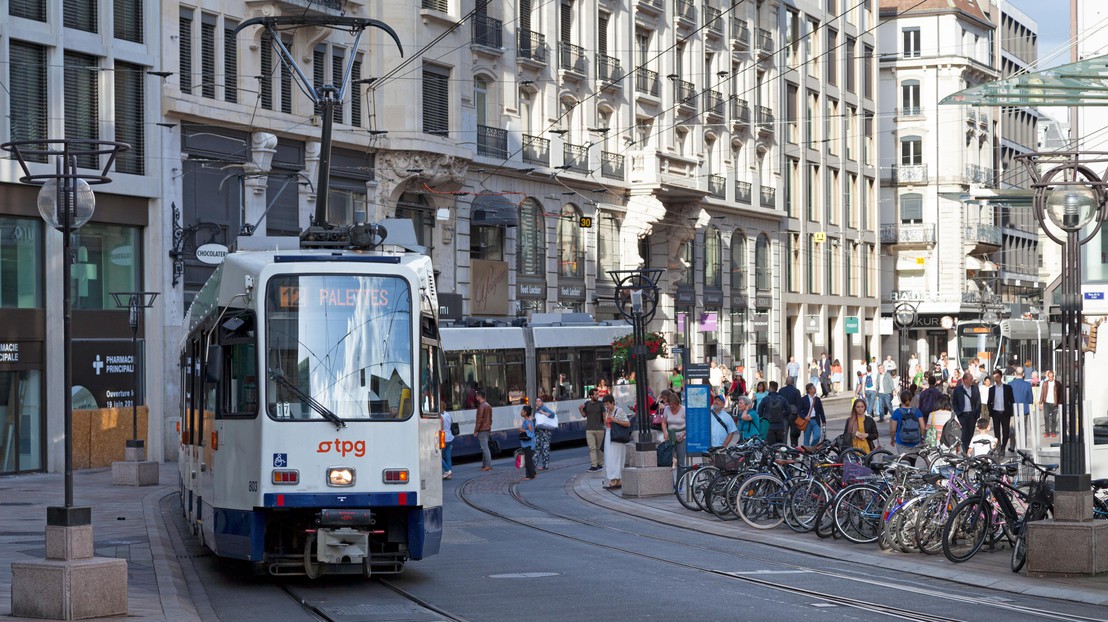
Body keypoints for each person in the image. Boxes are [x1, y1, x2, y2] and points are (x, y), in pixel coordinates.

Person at [602, 394, 631, 489]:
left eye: (608, 404)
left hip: (616, 437)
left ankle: (614, 480)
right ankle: (617, 480)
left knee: (615, 458)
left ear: (612, 402)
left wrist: (616, 420)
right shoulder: (606, 412)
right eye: (605, 404)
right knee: (609, 458)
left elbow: (628, 423)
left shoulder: (619, 411)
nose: (607, 406)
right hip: (609, 436)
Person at [890, 389, 926, 456]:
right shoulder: (917, 411)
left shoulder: (897, 412)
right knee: (912, 465)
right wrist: (921, 437)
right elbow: (923, 427)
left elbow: (893, 430)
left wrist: (892, 439)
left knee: (904, 463)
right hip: (915, 442)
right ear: (911, 399)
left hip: (901, 442)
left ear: (901, 400)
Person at [987, 369, 1015, 454]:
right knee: (996, 432)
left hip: (1005, 413)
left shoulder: (1007, 388)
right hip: (996, 413)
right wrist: (991, 412)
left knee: (1006, 432)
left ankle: (1003, 447)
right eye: (994, 377)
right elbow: (989, 401)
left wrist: (1010, 412)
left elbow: (1011, 400)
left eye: (998, 377)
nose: (996, 379)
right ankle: (998, 448)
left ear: (1001, 377)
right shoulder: (991, 389)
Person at [953, 372, 981, 454]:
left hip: (972, 415)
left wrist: (977, 413)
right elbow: (955, 402)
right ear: (965, 380)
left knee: (970, 434)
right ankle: (966, 452)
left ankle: (968, 449)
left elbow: (978, 401)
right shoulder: (958, 389)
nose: (972, 381)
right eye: (970, 379)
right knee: (964, 434)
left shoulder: (975, 388)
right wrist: (958, 413)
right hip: (962, 415)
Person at [757, 381, 790, 445]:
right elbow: (788, 410)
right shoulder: (782, 399)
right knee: (780, 445)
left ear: (770, 388)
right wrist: (782, 415)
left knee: (770, 446)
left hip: (769, 425)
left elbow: (759, 410)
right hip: (780, 425)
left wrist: (764, 418)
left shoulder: (765, 399)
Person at [580, 388, 605, 472]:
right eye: (595, 394)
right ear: (591, 396)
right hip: (589, 430)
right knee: (592, 448)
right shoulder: (587, 404)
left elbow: (604, 415)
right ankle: (593, 465)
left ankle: (600, 464)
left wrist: (606, 425)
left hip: (599, 429)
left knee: (599, 448)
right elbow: (584, 415)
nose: (597, 396)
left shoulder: (600, 404)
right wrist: (580, 409)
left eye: (597, 394)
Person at [660, 392, 688, 467]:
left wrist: (684, 434)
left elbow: (689, 424)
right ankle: (670, 478)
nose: (671, 406)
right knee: (668, 459)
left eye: (673, 404)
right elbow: (664, 422)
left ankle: (680, 478)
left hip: (681, 437)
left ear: (677, 403)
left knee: (680, 462)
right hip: (670, 437)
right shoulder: (667, 409)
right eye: (670, 404)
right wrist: (665, 433)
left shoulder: (684, 409)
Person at [533, 397, 557, 470]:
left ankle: (544, 465)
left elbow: (552, 415)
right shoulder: (537, 410)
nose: (538, 402)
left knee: (544, 448)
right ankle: (534, 464)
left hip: (545, 432)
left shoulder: (543, 408)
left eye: (539, 401)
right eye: (536, 401)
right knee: (538, 448)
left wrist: (543, 412)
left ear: (542, 402)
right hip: (539, 432)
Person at [778, 376, 803, 445]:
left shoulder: (781, 390)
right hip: (793, 414)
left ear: (786, 382)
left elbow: (778, 402)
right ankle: (794, 449)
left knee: (784, 433)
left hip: (783, 414)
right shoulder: (796, 391)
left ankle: (784, 449)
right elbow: (799, 404)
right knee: (794, 433)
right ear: (793, 382)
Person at [475, 390, 494, 471]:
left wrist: (476, 430)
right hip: (487, 429)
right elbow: (490, 419)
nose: (476, 397)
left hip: (482, 429)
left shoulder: (482, 406)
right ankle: (484, 465)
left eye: (476, 396)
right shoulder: (488, 405)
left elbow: (479, 420)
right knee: (484, 447)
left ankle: (488, 465)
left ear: (479, 396)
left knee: (484, 447)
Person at [1039, 369, 1060, 438]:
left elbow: (1060, 393)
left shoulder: (1057, 383)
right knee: (1046, 417)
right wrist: (1040, 402)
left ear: (1053, 376)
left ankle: (1053, 431)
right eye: (1049, 376)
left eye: (1052, 376)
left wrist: (1059, 402)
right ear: (1048, 376)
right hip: (1046, 403)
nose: (1050, 378)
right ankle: (1047, 431)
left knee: (1054, 418)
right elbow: (1042, 393)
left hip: (1054, 403)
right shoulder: (1045, 383)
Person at [518, 405, 537, 480]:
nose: (521, 412)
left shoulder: (528, 422)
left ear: (525, 413)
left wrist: (522, 430)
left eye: (522, 411)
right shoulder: (527, 421)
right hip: (528, 444)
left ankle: (529, 475)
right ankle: (533, 473)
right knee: (529, 459)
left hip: (528, 444)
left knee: (528, 460)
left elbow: (531, 433)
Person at [441, 410, 455, 480]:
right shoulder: (447, 414)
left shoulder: (441, 416)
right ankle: (449, 474)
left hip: (444, 438)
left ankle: (447, 470)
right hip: (449, 437)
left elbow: (441, 427)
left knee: (438, 457)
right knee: (448, 456)